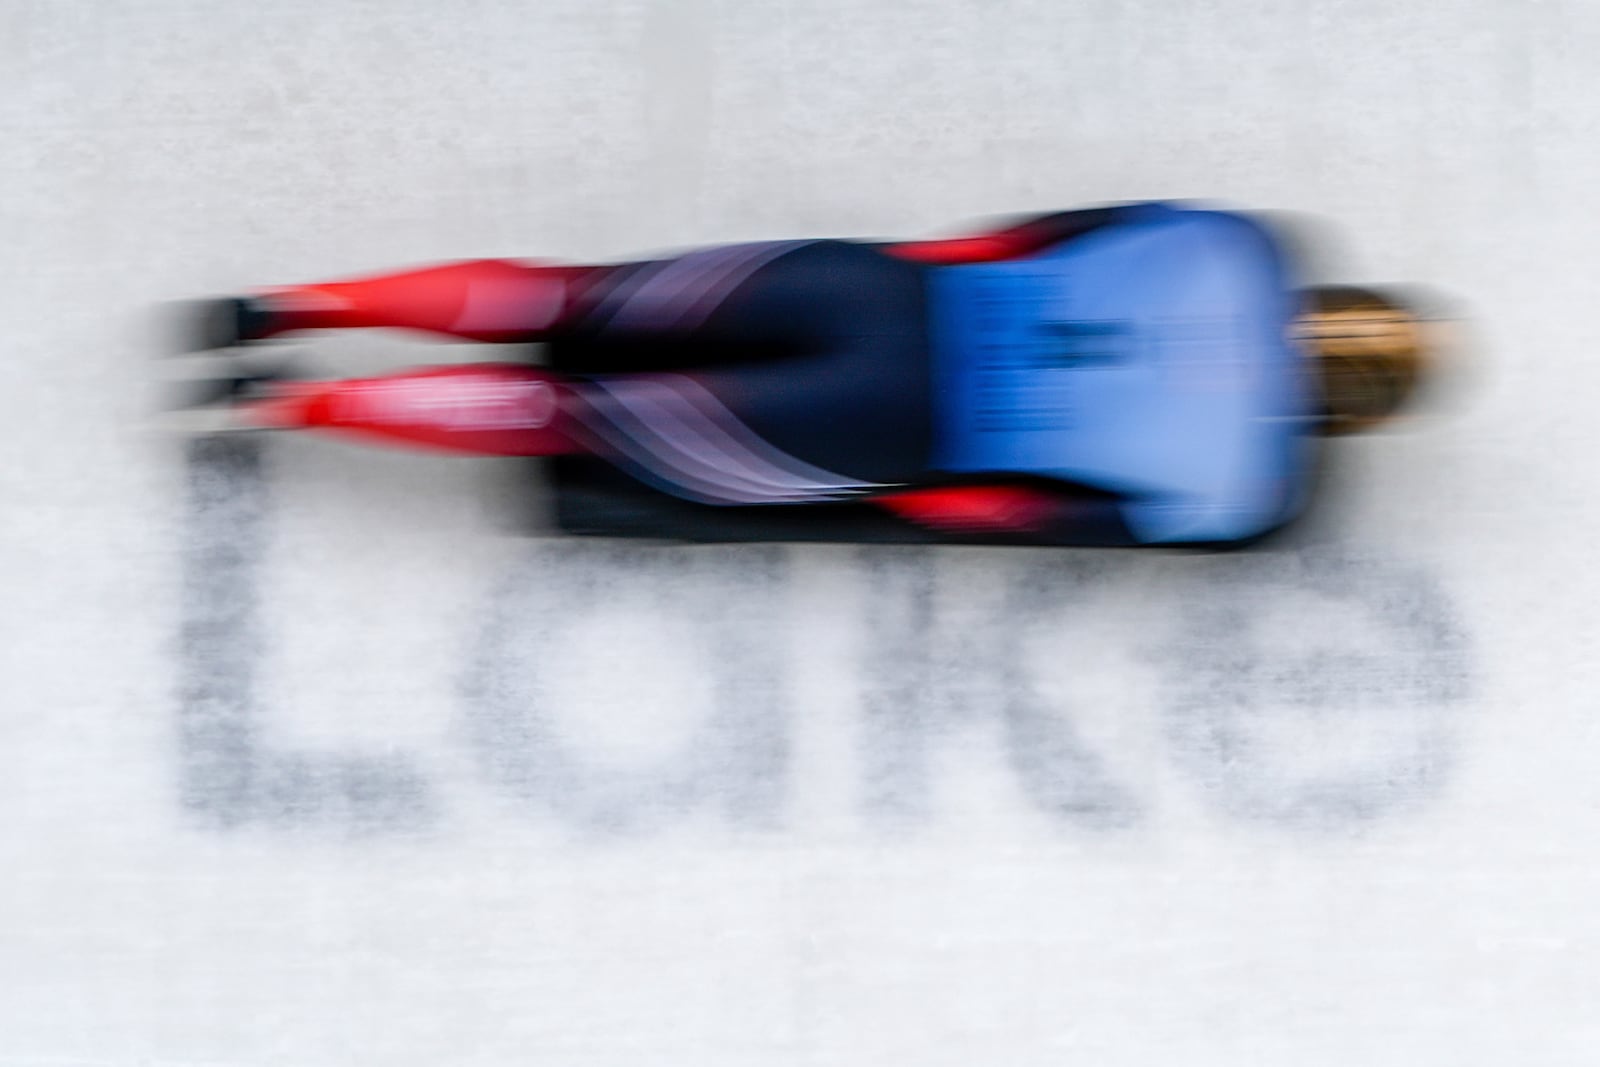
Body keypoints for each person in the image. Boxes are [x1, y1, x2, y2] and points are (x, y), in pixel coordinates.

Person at [176, 201, 1432, 546]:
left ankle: (289, 304)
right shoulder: (1243, 489)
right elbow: (995, 509)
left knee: (572, 300)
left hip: (873, 287)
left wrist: (925, 275)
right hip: (884, 424)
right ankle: (286, 404)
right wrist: (899, 493)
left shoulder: (1228, 241)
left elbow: (1013, 238)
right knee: (569, 421)